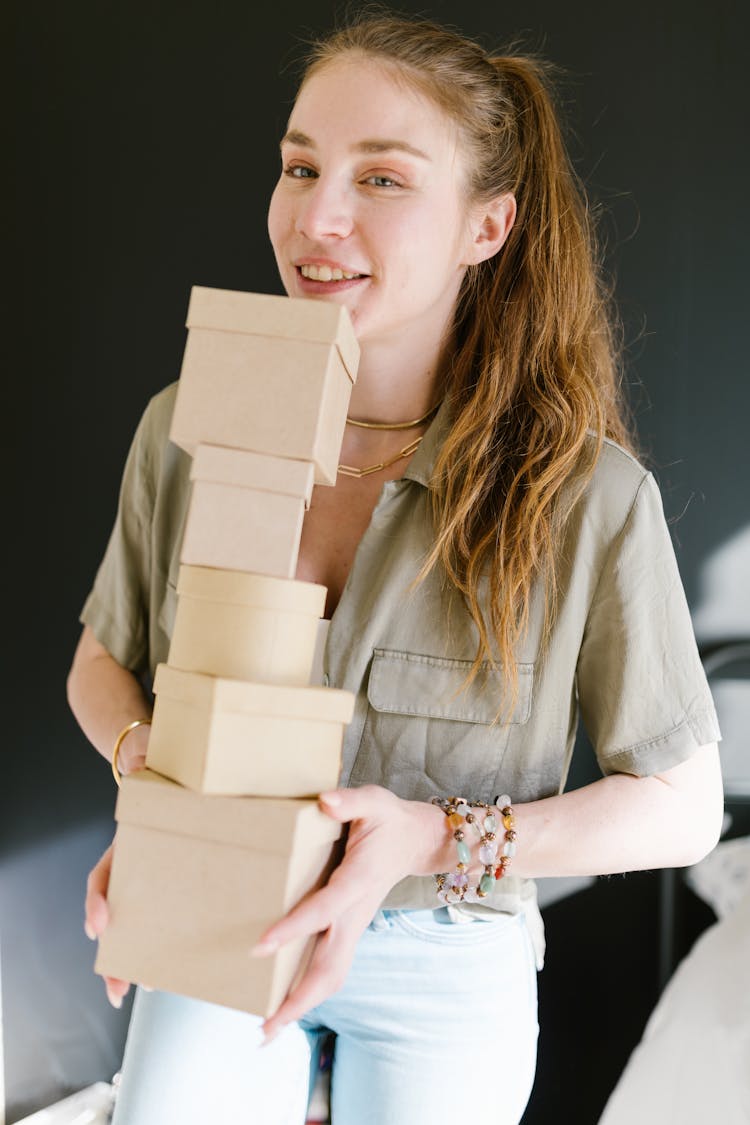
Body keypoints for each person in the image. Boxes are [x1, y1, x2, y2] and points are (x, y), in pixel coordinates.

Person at [67, 13, 724, 1125]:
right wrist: (151, 784)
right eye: (301, 166)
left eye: (382, 179)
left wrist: (438, 836)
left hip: (444, 942)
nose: (317, 217)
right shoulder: (187, 424)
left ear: (488, 225)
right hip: (221, 904)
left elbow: (684, 809)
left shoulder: (583, 495)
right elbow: (102, 662)